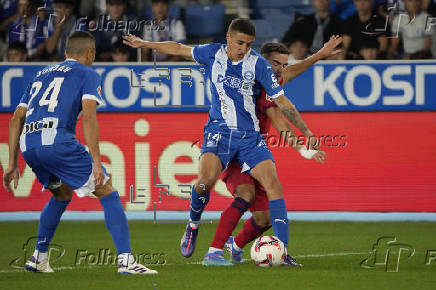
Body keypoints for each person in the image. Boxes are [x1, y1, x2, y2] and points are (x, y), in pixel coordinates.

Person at [123, 18, 320, 264]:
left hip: (250, 137)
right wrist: (144, 43)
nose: (244, 49)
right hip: (219, 132)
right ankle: (193, 225)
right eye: (240, 43)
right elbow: (177, 48)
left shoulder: (258, 64)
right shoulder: (211, 53)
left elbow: (283, 102)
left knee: (274, 185)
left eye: (248, 44)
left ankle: (282, 250)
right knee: (204, 182)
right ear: (228, 37)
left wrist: (307, 132)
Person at [2, 31, 157, 275]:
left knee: (61, 194)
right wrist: (96, 162)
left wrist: (11, 163)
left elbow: (15, 119)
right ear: (90, 53)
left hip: (29, 146)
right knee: (107, 190)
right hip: (58, 143)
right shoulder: (87, 73)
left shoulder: (39, 75)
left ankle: (39, 258)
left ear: (65, 53)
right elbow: (88, 117)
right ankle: (126, 261)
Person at [205, 37, 342, 266]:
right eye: (276, 64)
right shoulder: (260, 85)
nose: (281, 69)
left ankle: (235, 245)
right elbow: (280, 121)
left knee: (265, 216)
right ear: (262, 62)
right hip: (235, 149)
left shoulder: (267, 76)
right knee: (250, 193)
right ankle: (219, 251)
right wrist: (304, 146)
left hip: (252, 149)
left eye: (283, 64)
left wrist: (318, 55)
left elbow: (290, 73)